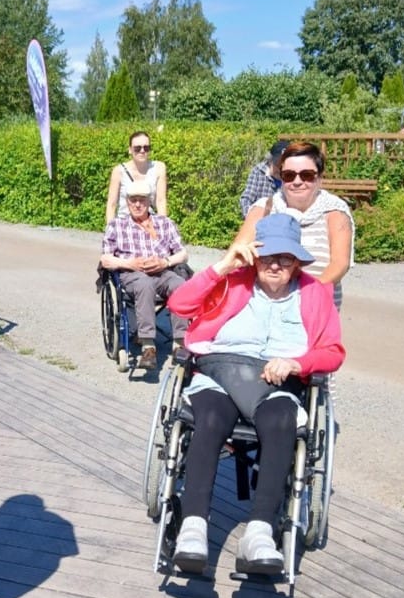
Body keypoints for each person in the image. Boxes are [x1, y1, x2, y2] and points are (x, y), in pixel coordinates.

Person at [166, 214, 345, 574]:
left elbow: (333, 352)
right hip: (220, 374)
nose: (275, 265)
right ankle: (193, 528)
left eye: (285, 258)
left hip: (277, 383)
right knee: (209, 417)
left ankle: (260, 532)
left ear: (297, 262)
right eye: (267, 257)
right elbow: (179, 305)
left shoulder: (314, 292)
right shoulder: (232, 282)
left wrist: (297, 363)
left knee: (281, 422)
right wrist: (222, 266)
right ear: (254, 256)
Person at [235, 141, 354, 309]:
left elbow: (340, 264)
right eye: (289, 175)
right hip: (266, 309)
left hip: (316, 308)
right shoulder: (264, 208)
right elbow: (237, 256)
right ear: (281, 177)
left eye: (306, 175)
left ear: (319, 177)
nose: (297, 181)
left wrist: (304, 296)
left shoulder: (335, 212)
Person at [101, 181, 189, 370]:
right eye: (133, 200)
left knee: (181, 285)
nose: (137, 204)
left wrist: (165, 262)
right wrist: (130, 264)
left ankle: (179, 343)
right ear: (127, 202)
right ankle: (148, 345)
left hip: (162, 271)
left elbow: (183, 254)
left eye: (142, 200)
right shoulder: (117, 225)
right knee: (145, 284)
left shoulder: (164, 223)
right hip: (132, 274)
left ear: (149, 201)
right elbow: (105, 259)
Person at [105, 130, 167, 223]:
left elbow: (161, 201)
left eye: (146, 148)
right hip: (124, 223)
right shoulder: (119, 171)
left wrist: (163, 225)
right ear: (130, 150)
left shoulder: (159, 168)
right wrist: (110, 227)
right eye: (137, 148)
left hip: (148, 223)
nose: (142, 151)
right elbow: (112, 204)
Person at [239, 139, 289, 218]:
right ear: (270, 160)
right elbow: (246, 199)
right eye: (278, 164)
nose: (280, 169)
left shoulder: (293, 177)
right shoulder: (258, 171)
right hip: (259, 218)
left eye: (284, 165)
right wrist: (250, 218)